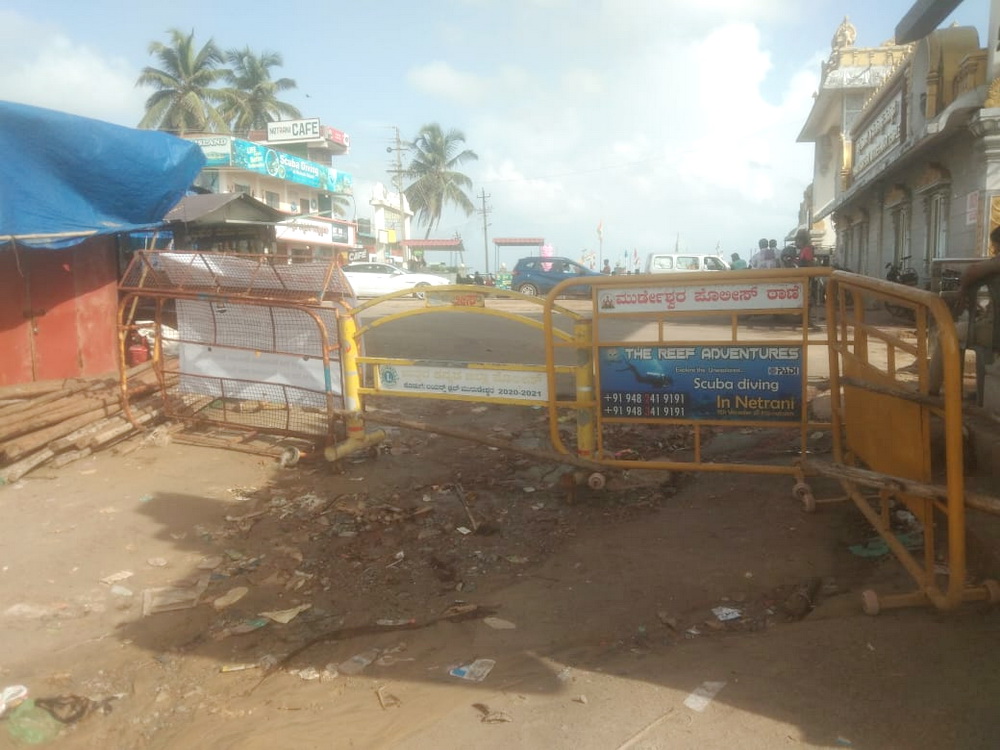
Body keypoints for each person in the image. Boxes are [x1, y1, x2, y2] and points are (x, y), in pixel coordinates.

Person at [930, 225, 1000, 396]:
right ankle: (983, 391)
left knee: (946, 333)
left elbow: (972, 271)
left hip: (995, 331)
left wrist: (963, 290)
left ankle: (933, 389)